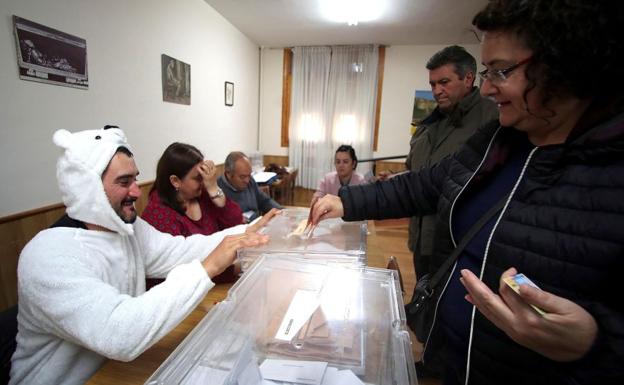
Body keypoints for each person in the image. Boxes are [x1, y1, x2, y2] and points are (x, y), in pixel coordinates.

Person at [309, 1, 624, 384]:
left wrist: (594, 341)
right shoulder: (496, 140)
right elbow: (425, 183)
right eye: (486, 71)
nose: (487, 87)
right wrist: (346, 201)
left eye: (501, 71)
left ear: (564, 65)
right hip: (459, 360)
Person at [9, 126, 276, 385]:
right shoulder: (48, 256)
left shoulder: (127, 228)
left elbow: (178, 250)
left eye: (135, 179)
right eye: (124, 182)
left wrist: (248, 231)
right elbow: (119, 333)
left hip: (119, 371)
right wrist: (205, 269)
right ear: (87, 188)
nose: (137, 191)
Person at [406, 45, 498, 281]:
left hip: (460, 243)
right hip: (421, 239)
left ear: (468, 79)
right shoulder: (427, 125)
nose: (437, 91)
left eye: (444, 82)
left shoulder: (492, 118)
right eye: (433, 84)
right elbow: (412, 172)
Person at [142, 142, 244, 283]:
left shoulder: (202, 195)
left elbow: (235, 220)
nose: (203, 182)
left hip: (217, 278)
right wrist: (236, 268)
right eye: (198, 178)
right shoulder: (158, 214)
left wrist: (214, 189)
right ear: (175, 181)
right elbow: (181, 270)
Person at [218, 151, 282, 222]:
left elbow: (264, 201)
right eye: (242, 177)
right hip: (238, 230)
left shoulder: (250, 180)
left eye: (249, 175)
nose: (247, 180)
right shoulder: (217, 190)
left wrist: (282, 212)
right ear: (228, 174)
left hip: (257, 224)